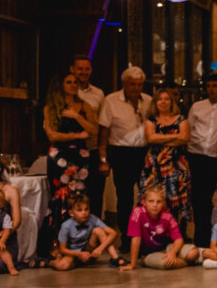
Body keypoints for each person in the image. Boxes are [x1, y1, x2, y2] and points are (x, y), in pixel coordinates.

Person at [42, 72, 98, 257]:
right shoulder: (51, 107)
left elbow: (93, 129)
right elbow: (52, 135)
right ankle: (57, 243)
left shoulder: (84, 106)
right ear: (60, 85)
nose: (74, 85)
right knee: (60, 198)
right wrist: (77, 135)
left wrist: (77, 117)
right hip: (60, 157)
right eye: (69, 82)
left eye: (75, 82)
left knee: (80, 195)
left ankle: (81, 242)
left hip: (80, 155)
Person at [97, 66, 152, 247]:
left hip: (143, 152)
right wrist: (103, 160)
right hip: (120, 152)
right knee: (125, 197)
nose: (136, 88)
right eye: (132, 85)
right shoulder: (111, 101)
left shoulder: (149, 101)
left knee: (147, 196)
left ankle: (147, 236)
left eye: (139, 85)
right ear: (124, 84)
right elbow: (103, 133)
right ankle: (127, 239)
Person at [187, 73, 217, 247]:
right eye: (209, 86)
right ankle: (200, 237)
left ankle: (210, 236)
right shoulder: (197, 107)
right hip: (195, 154)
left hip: (214, 156)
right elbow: (188, 129)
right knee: (197, 198)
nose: (211, 89)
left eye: (215, 86)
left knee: (209, 196)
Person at [140, 85, 192, 228]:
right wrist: (175, 136)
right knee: (155, 198)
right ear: (155, 103)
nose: (163, 102)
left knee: (177, 197)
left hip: (177, 164)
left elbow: (185, 138)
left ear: (172, 101)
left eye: (167, 99)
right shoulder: (151, 120)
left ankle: (177, 234)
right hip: (155, 165)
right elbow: (150, 138)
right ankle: (155, 233)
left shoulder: (181, 119)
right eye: (160, 99)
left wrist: (160, 137)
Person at [120, 184, 200, 271]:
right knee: (166, 263)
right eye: (151, 201)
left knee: (193, 252)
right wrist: (132, 264)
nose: (155, 205)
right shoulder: (137, 213)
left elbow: (179, 239)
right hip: (148, 254)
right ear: (144, 202)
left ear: (163, 203)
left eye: (159, 202)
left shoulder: (167, 216)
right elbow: (136, 239)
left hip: (166, 248)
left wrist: (172, 253)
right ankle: (189, 263)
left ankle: (187, 259)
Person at [71, 55, 106, 218]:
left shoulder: (98, 94)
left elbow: (102, 126)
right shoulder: (66, 90)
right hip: (69, 150)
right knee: (71, 193)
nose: (83, 72)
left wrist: (102, 157)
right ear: (72, 70)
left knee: (94, 194)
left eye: (87, 69)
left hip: (91, 149)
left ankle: (94, 234)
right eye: (80, 68)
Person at [50, 192, 121, 270]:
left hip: (88, 251)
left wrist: (100, 248)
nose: (84, 213)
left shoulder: (92, 218)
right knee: (62, 266)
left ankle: (115, 259)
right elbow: (62, 249)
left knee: (98, 230)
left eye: (86, 209)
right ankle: (49, 262)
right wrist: (79, 254)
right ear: (71, 213)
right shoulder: (66, 226)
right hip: (73, 253)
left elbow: (113, 233)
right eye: (79, 210)